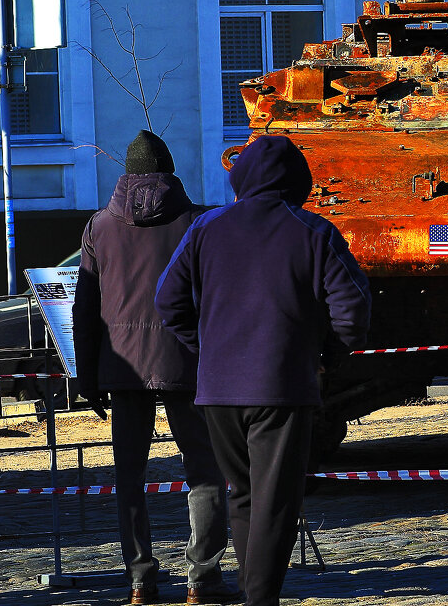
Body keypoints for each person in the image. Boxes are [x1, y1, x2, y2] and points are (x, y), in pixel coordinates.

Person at [155, 134, 371, 606]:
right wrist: (324, 357)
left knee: (245, 496)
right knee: (276, 503)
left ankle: (254, 594)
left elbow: (168, 300)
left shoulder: (205, 228)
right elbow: (352, 313)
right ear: (299, 182)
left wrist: (206, 347)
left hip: (218, 391)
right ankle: (260, 599)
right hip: (282, 386)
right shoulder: (314, 232)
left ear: (241, 178)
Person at [72, 131, 239, 606]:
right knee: (204, 472)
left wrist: (89, 376)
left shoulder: (99, 227)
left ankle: (140, 580)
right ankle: (203, 578)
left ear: (126, 174)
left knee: (129, 476)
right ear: (169, 170)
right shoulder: (199, 222)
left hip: (122, 366)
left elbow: (84, 311)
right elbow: (221, 301)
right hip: (188, 361)